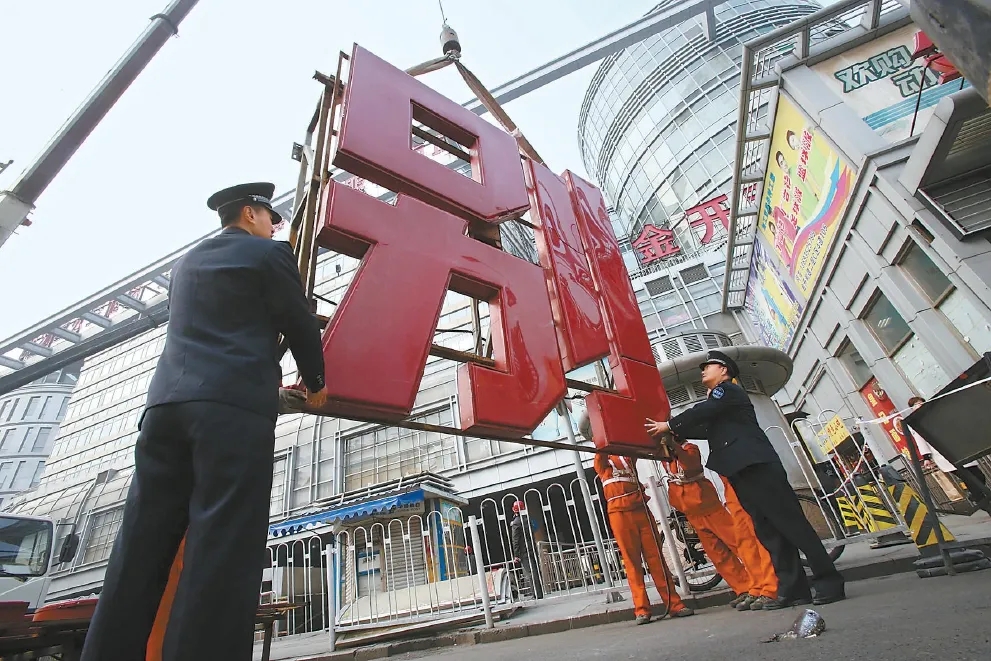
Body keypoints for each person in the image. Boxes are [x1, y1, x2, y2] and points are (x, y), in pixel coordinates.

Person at [81, 182, 329, 661]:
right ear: (251, 213)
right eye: (270, 218)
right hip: (230, 413)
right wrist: (315, 382)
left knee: (139, 548)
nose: (273, 227)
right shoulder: (269, 255)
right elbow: (298, 320)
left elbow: (216, 329)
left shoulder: (186, 264)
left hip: (163, 411)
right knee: (222, 544)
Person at [645, 350, 844, 609]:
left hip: (757, 466)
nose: (703, 370)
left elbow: (704, 411)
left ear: (724, 370)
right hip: (740, 470)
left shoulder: (726, 390)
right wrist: (671, 433)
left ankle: (829, 581)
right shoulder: (720, 408)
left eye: (708, 366)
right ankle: (794, 589)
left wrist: (669, 426)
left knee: (792, 525)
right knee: (769, 532)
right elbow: (702, 428)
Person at [662, 436, 777, 611]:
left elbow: (690, 465)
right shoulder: (666, 455)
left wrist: (674, 447)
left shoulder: (690, 448)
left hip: (708, 505)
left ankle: (762, 582)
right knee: (717, 555)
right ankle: (743, 587)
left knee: (739, 543)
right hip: (691, 510)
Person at [592, 453, 693, 624]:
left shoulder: (627, 455)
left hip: (641, 509)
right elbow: (599, 456)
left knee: (657, 560)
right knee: (632, 563)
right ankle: (641, 610)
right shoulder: (602, 461)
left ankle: (674, 605)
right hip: (619, 514)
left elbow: (635, 449)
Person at [907, 396, 991, 515]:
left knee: (979, 476)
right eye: (916, 405)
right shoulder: (915, 421)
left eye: (921, 403)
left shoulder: (935, 414)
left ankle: (977, 497)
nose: (919, 406)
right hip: (943, 455)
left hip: (959, 450)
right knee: (969, 479)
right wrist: (926, 457)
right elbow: (920, 440)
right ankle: (984, 503)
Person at [509, 501, 544, 599]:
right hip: (532, 548)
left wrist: (516, 555)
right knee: (536, 571)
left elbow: (515, 540)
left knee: (530, 573)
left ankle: (536, 594)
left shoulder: (516, 523)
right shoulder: (528, 519)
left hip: (524, 551)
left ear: (514, 510)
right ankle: (539, 593)